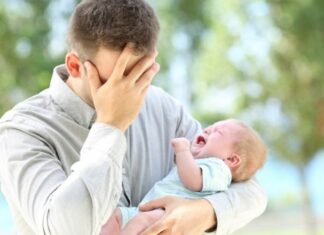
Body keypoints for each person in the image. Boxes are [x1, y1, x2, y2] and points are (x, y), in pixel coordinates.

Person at [0, 0, 267, 235]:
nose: (131, 89)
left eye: (141, 74)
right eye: (118, 76)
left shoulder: (163, 107)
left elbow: (250, 190)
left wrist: (205, 212)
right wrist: (110, 126)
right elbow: (67, 229)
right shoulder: (21, 131)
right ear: (74, 66)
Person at [101, 119, 267, 235]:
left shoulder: (219, 169)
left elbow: (193, 180)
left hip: (166, 216)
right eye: (210, 127)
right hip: (143, 211)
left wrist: (183, 150)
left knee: (137, 225)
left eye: (218, 132)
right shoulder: (202, 161)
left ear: (232, 159)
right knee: (113, 218)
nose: (207, 130)